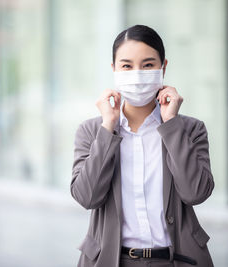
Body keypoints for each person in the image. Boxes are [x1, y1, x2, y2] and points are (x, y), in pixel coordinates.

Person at [71, 25, 215, 267]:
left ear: (163, 67)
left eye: (148, 65)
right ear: (114, 69)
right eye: (127, 65)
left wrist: (171, 125)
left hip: (176, 260)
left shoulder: (190, 129)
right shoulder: (92, 131)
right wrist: (108, 127)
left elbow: (196, 192)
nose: (137, 73)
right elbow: (87, 197)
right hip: (112, 260)